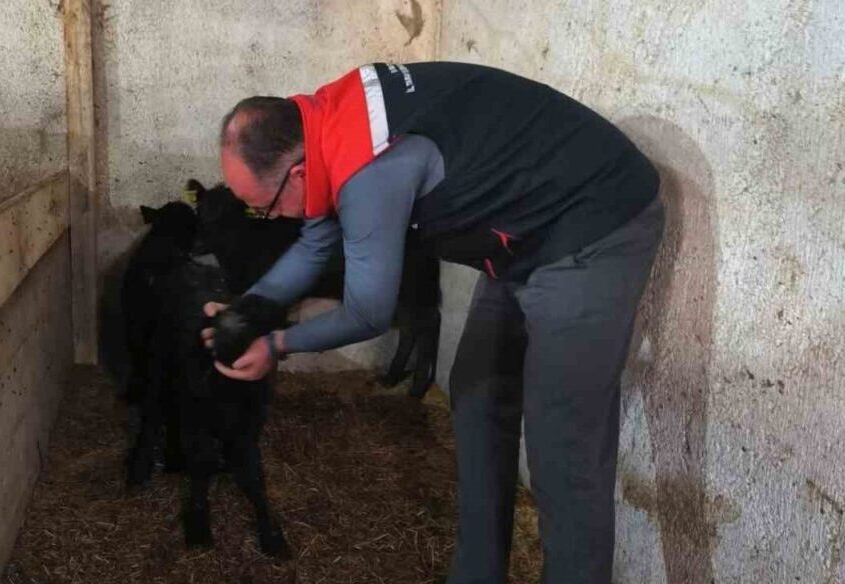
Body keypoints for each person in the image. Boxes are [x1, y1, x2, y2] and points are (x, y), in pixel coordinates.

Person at [201, 61, 664, 584]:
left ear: (298, 171)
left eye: (265, 209)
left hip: (590, 221)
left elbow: (368, 311)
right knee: (477, 392)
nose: (275, 219)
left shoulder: (368, 167)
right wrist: (248, 310)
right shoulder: (321, 124)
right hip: (523, 231)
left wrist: (277, 344)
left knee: (562, 445)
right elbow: (316, 242)